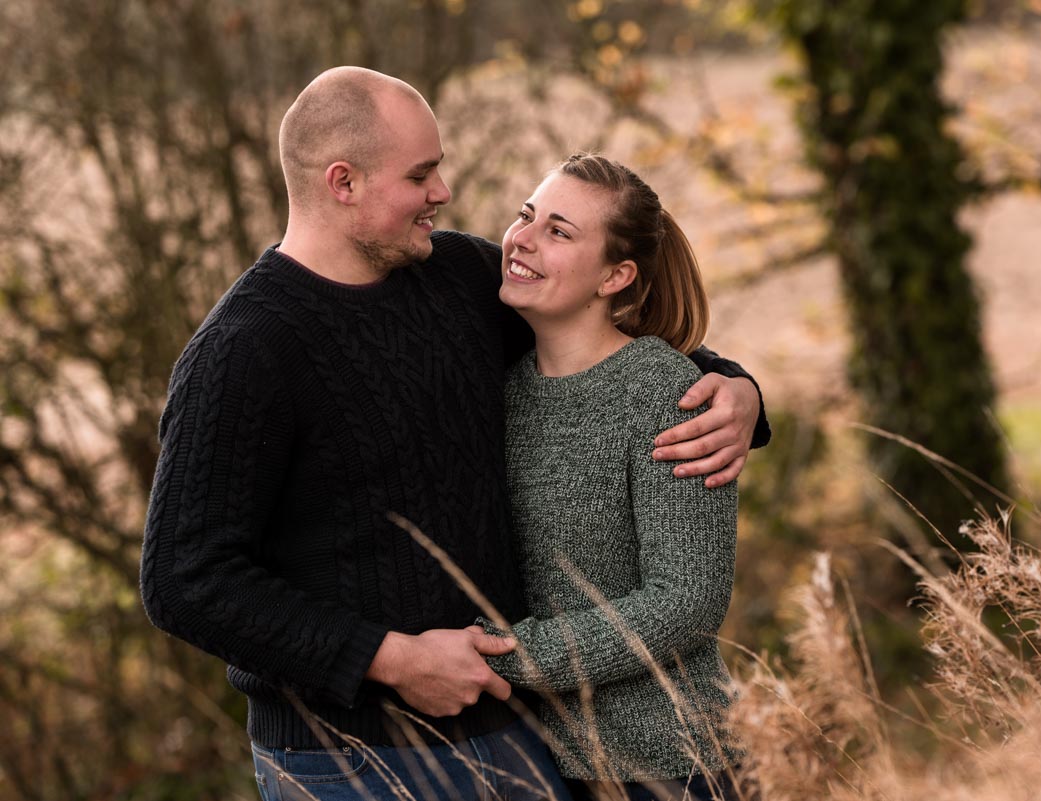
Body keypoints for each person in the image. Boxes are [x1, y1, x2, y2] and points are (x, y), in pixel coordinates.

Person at [139, 67, 768, 800]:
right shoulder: (246, 349)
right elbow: (184, 580)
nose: (443, 191)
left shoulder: (459, 278)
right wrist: (387, 657)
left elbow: (607, 340)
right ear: (344, 182)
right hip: (350, 760)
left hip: (520, 739)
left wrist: (739, 389)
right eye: (422, 174)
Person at [475, 154, 743, 801]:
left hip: (668, 764)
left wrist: (511, 656)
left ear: (617, 275)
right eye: (526, 216)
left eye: (559, 232)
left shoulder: (661, 390)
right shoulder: (503, 390)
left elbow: (688, 599)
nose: (523, 240)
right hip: (537, 765)